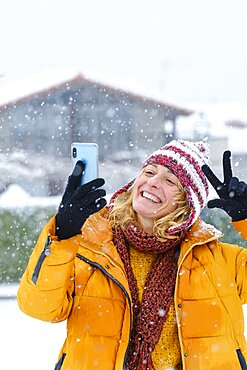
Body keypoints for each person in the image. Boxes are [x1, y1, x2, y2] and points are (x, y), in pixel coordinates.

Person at [17, 139, 247, 370]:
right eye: (148, 171)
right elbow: (38, 306)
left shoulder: (223, 262)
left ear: (187, 204)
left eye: (169, 180)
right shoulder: (90, 248)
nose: (153, 182)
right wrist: (63, 235)